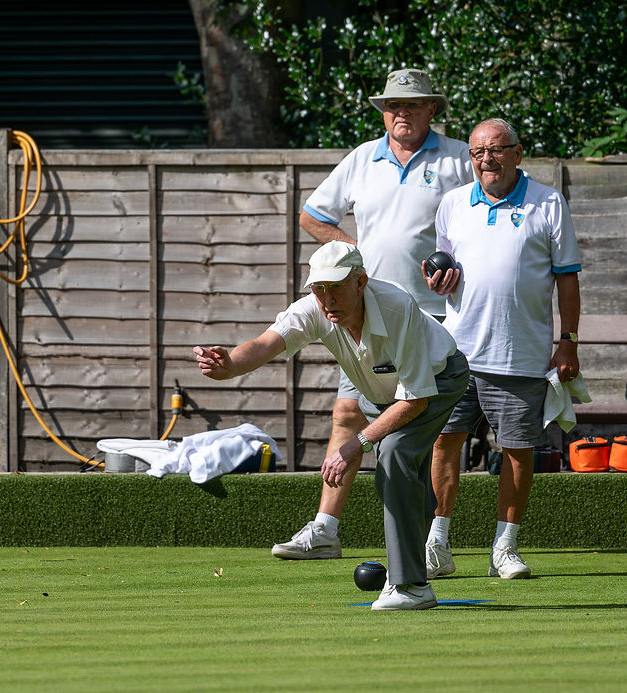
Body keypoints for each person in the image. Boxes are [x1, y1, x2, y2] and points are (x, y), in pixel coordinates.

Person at [195, 241, 469, 610]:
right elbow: (265, 344)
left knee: (394, 452)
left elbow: (415, 399)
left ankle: (410, 587)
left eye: (337, 286)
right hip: (381, 394)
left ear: (361, 282)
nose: (328, 299)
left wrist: (358, 442)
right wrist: (230, 365)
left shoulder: (396, 306)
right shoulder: (314, 309)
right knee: (407, 473)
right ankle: (426, 561)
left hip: (437, 382)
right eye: (319, 289)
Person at [272, 68, 473, 560]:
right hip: (366, 315)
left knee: (441, 429)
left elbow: (481, 217)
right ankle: (324, 530)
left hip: (436, 315)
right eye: (392, 106)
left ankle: (435, 542)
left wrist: (460, 266)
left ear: (432, 109)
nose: (400, 113)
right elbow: (312, 216)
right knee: (346, 413)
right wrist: (352, 252)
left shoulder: (458, 158)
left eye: (411, 104)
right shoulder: (363, 157)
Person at [422, 118, 581, 580]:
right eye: (477, 152)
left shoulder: (549, 202)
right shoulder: (452, 203)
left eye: (495, 149)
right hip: (456, 353)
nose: (486, 159)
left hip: (520, 353)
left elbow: (567, 279)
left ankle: (504, 549)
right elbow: (439, 267)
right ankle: (438, 543)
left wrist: (568, 342)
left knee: (517, 450)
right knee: (444, 442)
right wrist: (435, 278)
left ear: (517, 152)